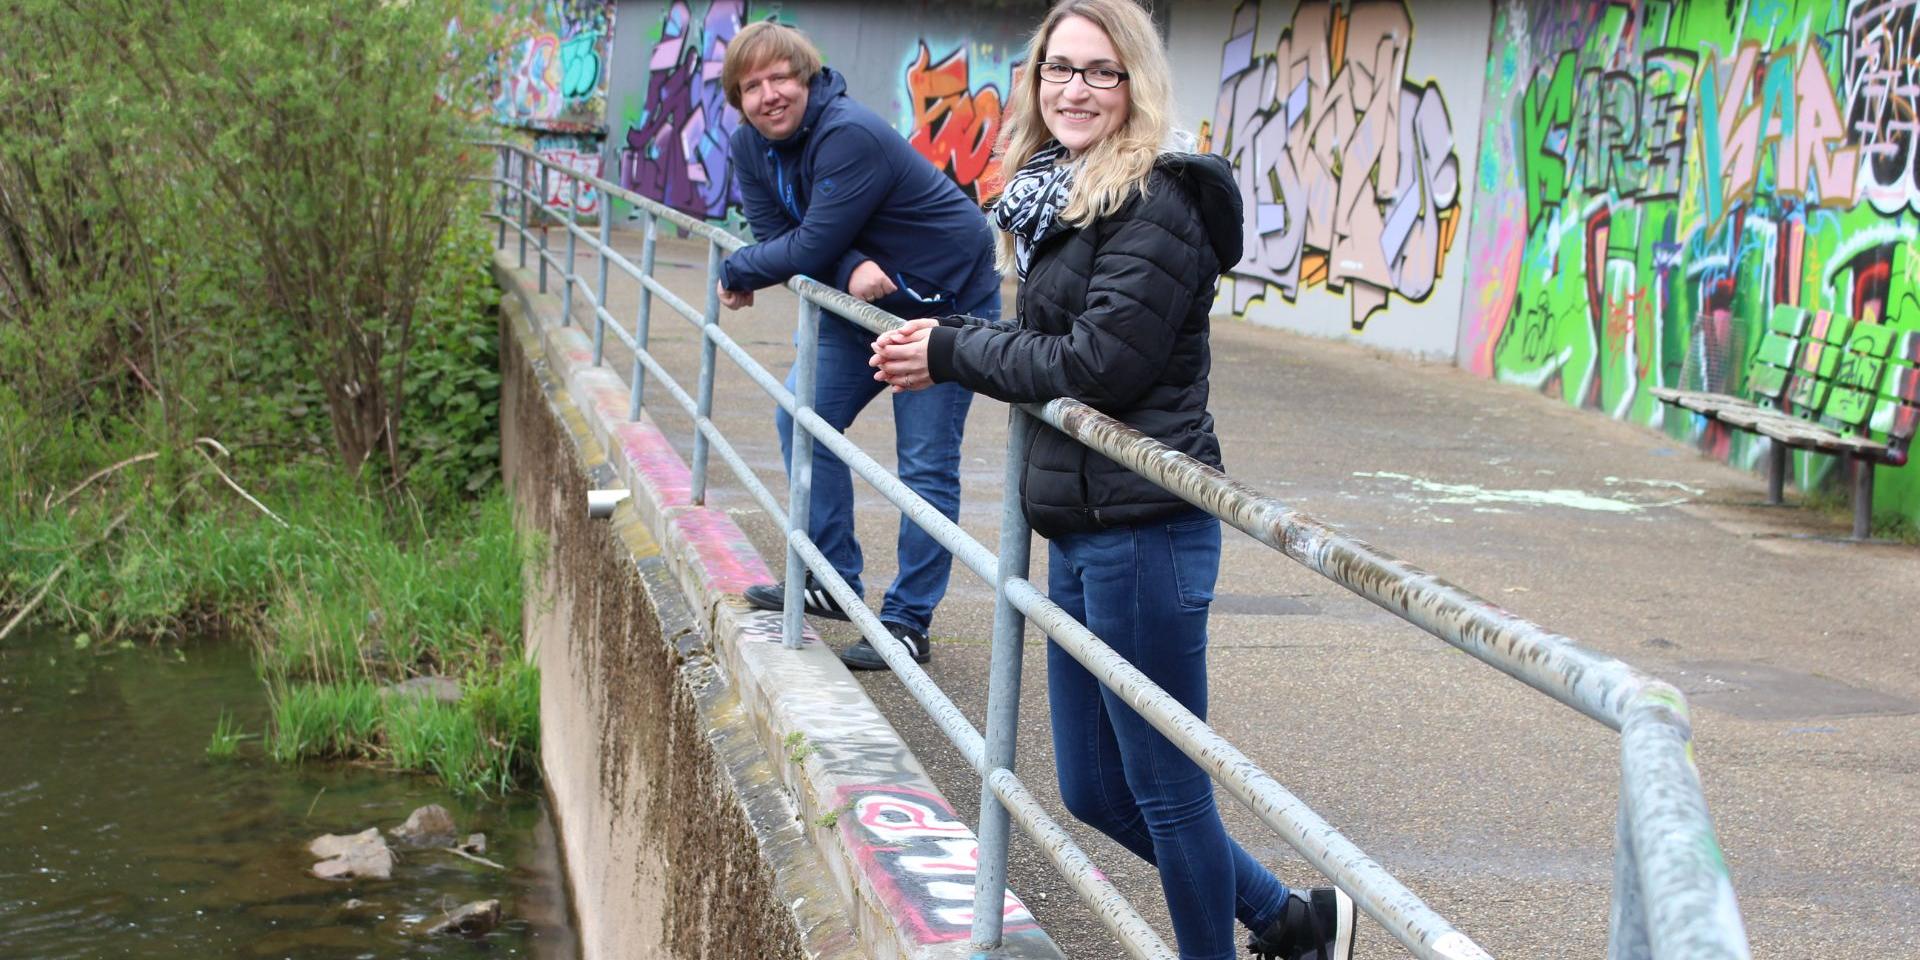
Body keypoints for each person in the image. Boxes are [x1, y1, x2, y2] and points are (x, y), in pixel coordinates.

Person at [868, 2, 1356, 957]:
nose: (1074, 89)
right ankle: (1292, 920)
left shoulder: (1156, 199)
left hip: (1147, 528)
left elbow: (1098, 364)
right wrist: (960, 338)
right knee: (1093, 787)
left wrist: (955, 349)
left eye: (1099, 72)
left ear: (1135, 83)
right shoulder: (1061, 192)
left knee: (1170, 793)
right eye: (1059, 69)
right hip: (1082, 523)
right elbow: (1051, 341)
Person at [714, 22, 1001, 670]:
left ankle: (906, 622)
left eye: (780, 77)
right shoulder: (749, 146)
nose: (768, 95)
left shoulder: (848, 133)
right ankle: (832, 580)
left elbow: (801, 245)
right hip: (861, 307)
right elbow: (778, 232)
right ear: (738, 100)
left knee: (924, 465)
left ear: (807, 78)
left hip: (943, 305)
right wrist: (844, 268)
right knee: (803, 418)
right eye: (750, 86)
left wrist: (741, 270)